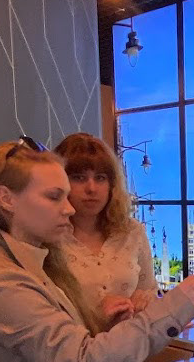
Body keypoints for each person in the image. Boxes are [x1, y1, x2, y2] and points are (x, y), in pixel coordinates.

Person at [0, 138, 194, 362]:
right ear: (7, 199)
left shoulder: (36, 264)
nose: (69, 208)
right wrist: (178, 304)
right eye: (54, 196)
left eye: (100, 178)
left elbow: (69, 352)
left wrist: (105, 323)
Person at [53, 132, 156, 331]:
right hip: (74, 348)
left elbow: (149, 291)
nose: (91, 188)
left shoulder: (132, 231)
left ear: (112, 185)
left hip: (131, 344)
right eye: (79, 178)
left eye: (100, 178)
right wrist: (98, 316)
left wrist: (143, 303)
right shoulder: (48, 238)